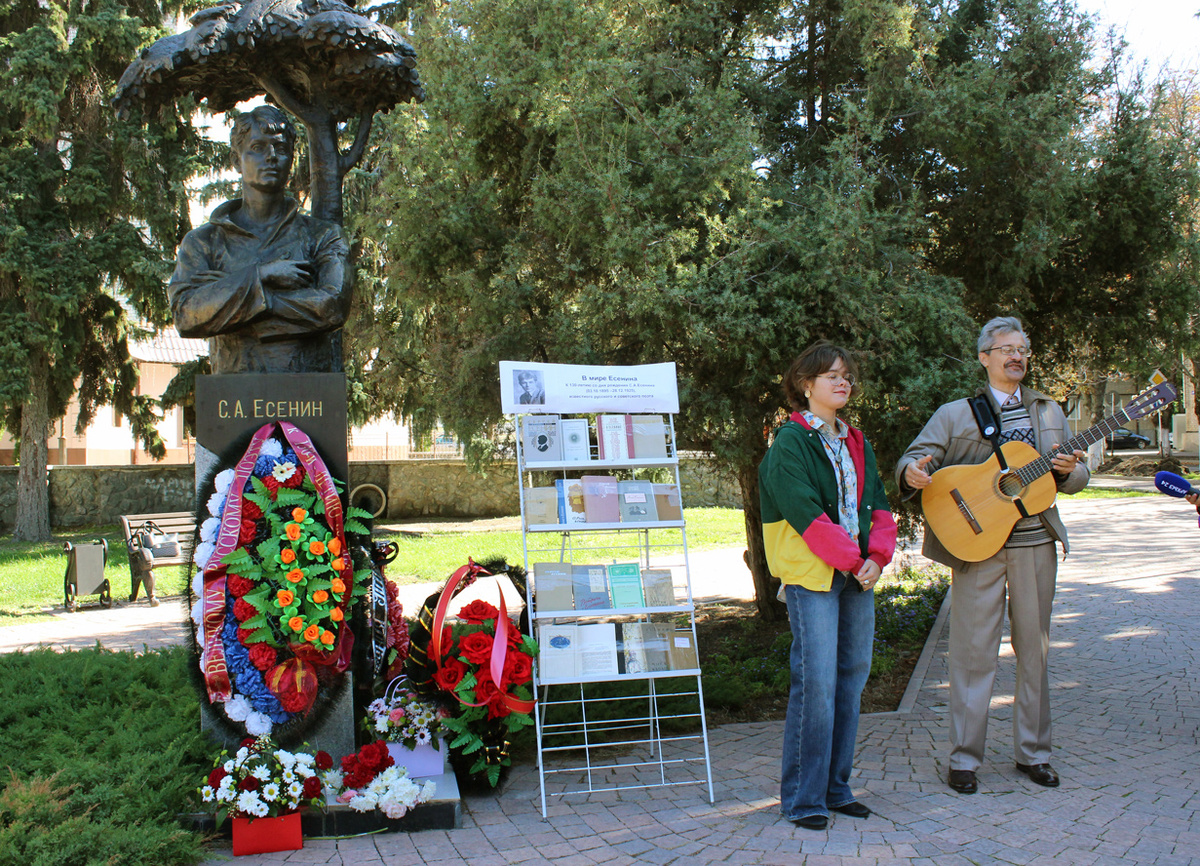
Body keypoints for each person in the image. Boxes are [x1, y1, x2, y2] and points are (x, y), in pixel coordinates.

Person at [895, 316, 1089, 795]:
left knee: (1035, 651)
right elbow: (914, 458)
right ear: (985, 357)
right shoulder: (956, 413)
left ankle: (1034, 754)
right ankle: (963, 759)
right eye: (1005, 348)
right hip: (977, 546)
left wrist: (1068, 472)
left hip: (1035, 543)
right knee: (971, 654)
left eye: (1022, 348)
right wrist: (913, 474)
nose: (1016, 356)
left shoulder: (1049, 412)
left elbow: (1076, 478)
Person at [759, 341, 897, 830]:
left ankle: (837, 789)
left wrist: (878, 558)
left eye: (846, 376)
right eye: (831, 375)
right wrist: (855, 560)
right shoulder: (791, 442)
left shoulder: (856, 440)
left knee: (850, 679)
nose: (843, 382)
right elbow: (805, 514)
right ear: (805, 384)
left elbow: (878, 504)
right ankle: (802, 798)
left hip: (858, 575)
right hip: (814, 575)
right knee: (815, 684)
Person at [168, 105, 351, 374]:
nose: (271, 157)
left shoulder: (322, 236)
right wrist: (261, 276)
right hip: (234, 395)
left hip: (308, 395)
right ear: (236, 160)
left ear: (291, 157)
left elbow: (332, 307)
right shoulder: (204, 242)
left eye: (280, 148)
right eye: (258, 146)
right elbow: (187, 315)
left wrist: (234, 303)